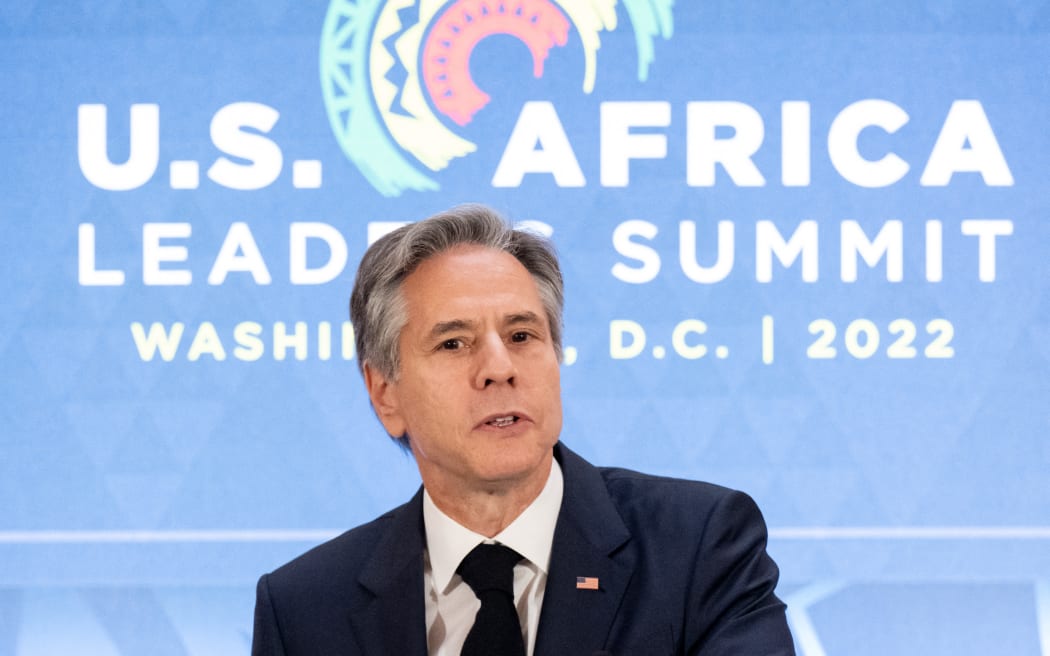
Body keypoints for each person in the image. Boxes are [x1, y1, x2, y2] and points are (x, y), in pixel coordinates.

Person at [251, 204, 795, 655]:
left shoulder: (697, 548)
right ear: (384, 392)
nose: (498, 368)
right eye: (453, 343)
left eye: (521, 336)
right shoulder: (305, 609)